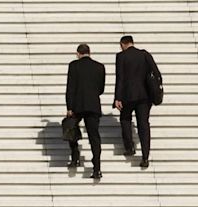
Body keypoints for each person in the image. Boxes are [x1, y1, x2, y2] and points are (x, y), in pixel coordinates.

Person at [113, 35, 161, 168]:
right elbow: (156, 73)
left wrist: (117, 97)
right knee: (143, 125)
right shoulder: (144, 54)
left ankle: (129, 147)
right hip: (145, 97)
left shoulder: (121, 56)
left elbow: (120, 78)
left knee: (125, 119)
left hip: (128, 96)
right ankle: (145, 157)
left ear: (123, 44)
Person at [66, 43, 106, 179]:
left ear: (78, 53)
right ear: (90, 52)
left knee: (70, 129)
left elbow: (70, 88)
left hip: (77, 105)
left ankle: (75, 157)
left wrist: (69, 107)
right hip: (93, 105)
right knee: (94, 137)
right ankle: (97, 168)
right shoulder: (100, 66)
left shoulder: (73, 66)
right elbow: (101, 88)